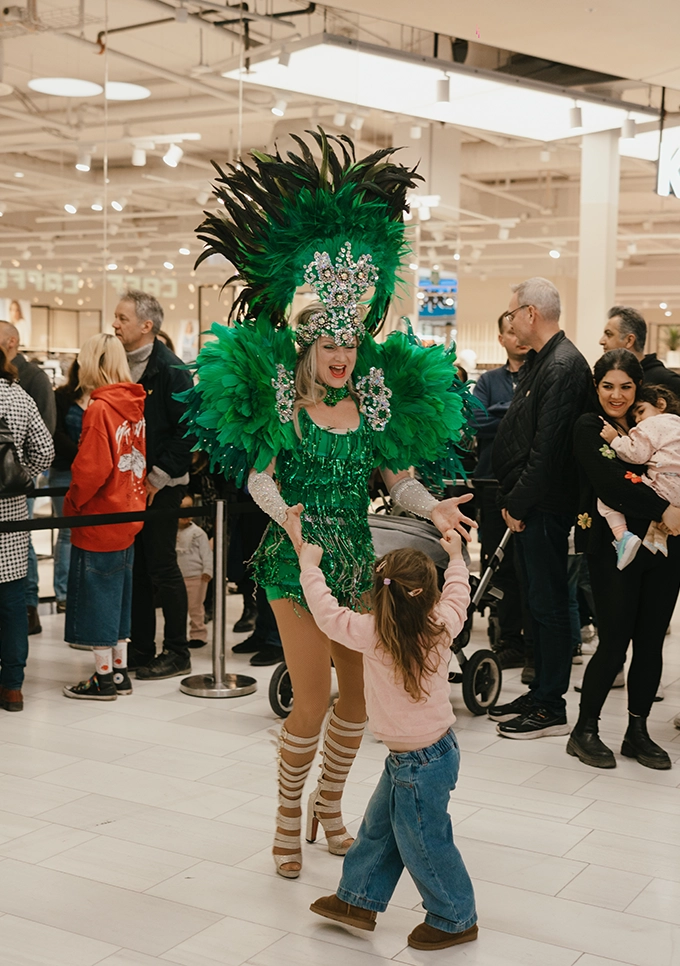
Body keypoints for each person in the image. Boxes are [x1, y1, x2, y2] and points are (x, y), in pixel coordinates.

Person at [181, 130, 477, 880]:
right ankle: (285, 818)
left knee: (358, 706)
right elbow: (258, 478)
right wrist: (285, 513)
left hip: (357, 563)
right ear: (308, 347)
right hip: (293, 559)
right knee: (309, 703)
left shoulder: (371, 405)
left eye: (350, 341)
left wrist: (434, 508)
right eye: (328, 343)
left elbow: (396, 479)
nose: (341, 354)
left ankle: (329, 806)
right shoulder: (284, 404)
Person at [302, 534, 477, 952]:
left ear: (379, 594)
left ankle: (456, 916)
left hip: (418, 764)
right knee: (379, 829)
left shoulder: (369, 632)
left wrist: (310, 566)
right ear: (428, 594)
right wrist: (455, 556)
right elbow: (459, 590)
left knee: (425, 843)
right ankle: (357, 901)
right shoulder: (443, 624)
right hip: (431, 753)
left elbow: (327, 614)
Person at [567, 349, 680, 769]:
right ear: (596, 387)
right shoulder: (589, 427)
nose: (617, 395)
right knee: (614, 642)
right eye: (608, 386)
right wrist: (666, 509)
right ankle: (585, 731)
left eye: (626, 387)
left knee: (651, 643)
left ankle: (637, 731)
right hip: (616, 547)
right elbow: (611, 486)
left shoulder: (652, 424)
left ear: (639, 388)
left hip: (667, 548)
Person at [490, 277, 592, 738]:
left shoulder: (564, 365)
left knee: (550, 605)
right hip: (531, 505)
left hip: (544, 507)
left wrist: (517, 501)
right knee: (535, 601)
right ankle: (541, 692)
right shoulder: (543, 362)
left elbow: (547, 450)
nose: (509, 320)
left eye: (512, 313)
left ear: (531, 313)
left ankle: (551, 703)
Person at [113, 290, 194, 680]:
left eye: (122, 318)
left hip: (164, 483)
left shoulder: (172, 369)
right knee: (138, 567)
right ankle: (142, 649)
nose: (115, 324)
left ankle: (177, 651)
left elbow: (190, 431)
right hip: (131, 484)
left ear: (147, 325)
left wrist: (157, 478)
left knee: (162, 565)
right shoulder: (119, 365)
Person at [62, 334, 146, 700]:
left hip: (99, 516)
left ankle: (102, 678)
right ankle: (120, 670)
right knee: (119, 595)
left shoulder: (98, 408)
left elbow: (91, 469)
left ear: (92, 362)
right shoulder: (133, 405)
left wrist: (73, 502)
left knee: (96, 596)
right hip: (129, 511)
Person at [472, 311, 532, 677]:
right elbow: (476, 421)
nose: (518, 337)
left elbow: (541, 423)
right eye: (510, 332)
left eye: (520, 330)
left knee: (532, 568)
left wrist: (502, 414)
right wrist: (518, 413)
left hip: (530, 486)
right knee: (499, 565)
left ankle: (532, 642)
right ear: (501, 339)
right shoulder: (488, 380)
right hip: (491, 485)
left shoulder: (540, 375)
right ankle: (509, 640)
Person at [0, 345, 54, 711]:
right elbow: (46, 450)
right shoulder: (17, 395)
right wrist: (19, 478)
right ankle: (14, 687)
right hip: (11, 517)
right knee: (12, 606)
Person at [598, 384, 680, 567]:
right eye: (634, 417)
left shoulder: (652, 424)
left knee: (610, 493)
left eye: (641, 411)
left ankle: (622, 536)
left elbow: (636, 454)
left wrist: (615, 440)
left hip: (663, 483)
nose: (638, 419)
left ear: (660, 404)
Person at [50, 360, 86, 612]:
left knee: (89, 533)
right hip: (65, 470)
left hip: (97, 474)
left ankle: (83, 589)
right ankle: (63, 592)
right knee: (66, 534)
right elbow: (56, 432)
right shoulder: (61, 396)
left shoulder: (104, 396)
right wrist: (84, 457)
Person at [600, 305, 680, 395]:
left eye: (609, 334)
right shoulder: (607, 376)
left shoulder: (667, 382)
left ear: (629, 340)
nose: (601, 341)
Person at [176, 494, 213, 648]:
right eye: (182, 509)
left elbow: (206, 553)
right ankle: (179, 635)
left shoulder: (198, 533)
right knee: (178, 608)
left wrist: (208, 570)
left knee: (196, 608)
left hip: (197, 577)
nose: (186, 513)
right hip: (178, 577)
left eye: (190, 508)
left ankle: (198, 634)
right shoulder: (171, 532)